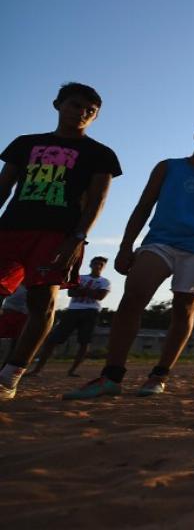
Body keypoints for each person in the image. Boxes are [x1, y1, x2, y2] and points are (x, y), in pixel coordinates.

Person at [65, 121, 194, 399]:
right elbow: (144, 205)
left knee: (183, 309)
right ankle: (112, 376)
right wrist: (125, 246)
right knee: (133, 297)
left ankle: (159, 375)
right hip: (160, 242)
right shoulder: (168, 166)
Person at [0, 82, 121, 400]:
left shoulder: (100, 154)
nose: (81, 112)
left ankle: (10, 376)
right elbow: (4, 187)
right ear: (58, 105)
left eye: (90, 111)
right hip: (10, 229)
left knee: (43, 303)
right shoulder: (25, 144)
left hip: (57, 235)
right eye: (75, 105)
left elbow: (96, 202)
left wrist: (78, 239)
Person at [29, 256, 111, 377]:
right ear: (90, 264)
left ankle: (73, 370)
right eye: (96, 263)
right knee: (53, 340)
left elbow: (100, 296)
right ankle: (37, 369)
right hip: (73, 311)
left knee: (84, 342)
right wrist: (90, 292)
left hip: (91, 312)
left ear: (103, 267)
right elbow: (71, 292)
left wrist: (81, 290)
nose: (98, 266)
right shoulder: (80, 277)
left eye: (101, 264)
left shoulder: (105, 282)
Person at [0, 285, 29, 363]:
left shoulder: (34, 285)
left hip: (23, 315)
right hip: (9, 312)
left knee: (16, 343)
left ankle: (5, 367)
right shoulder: (15, 280)